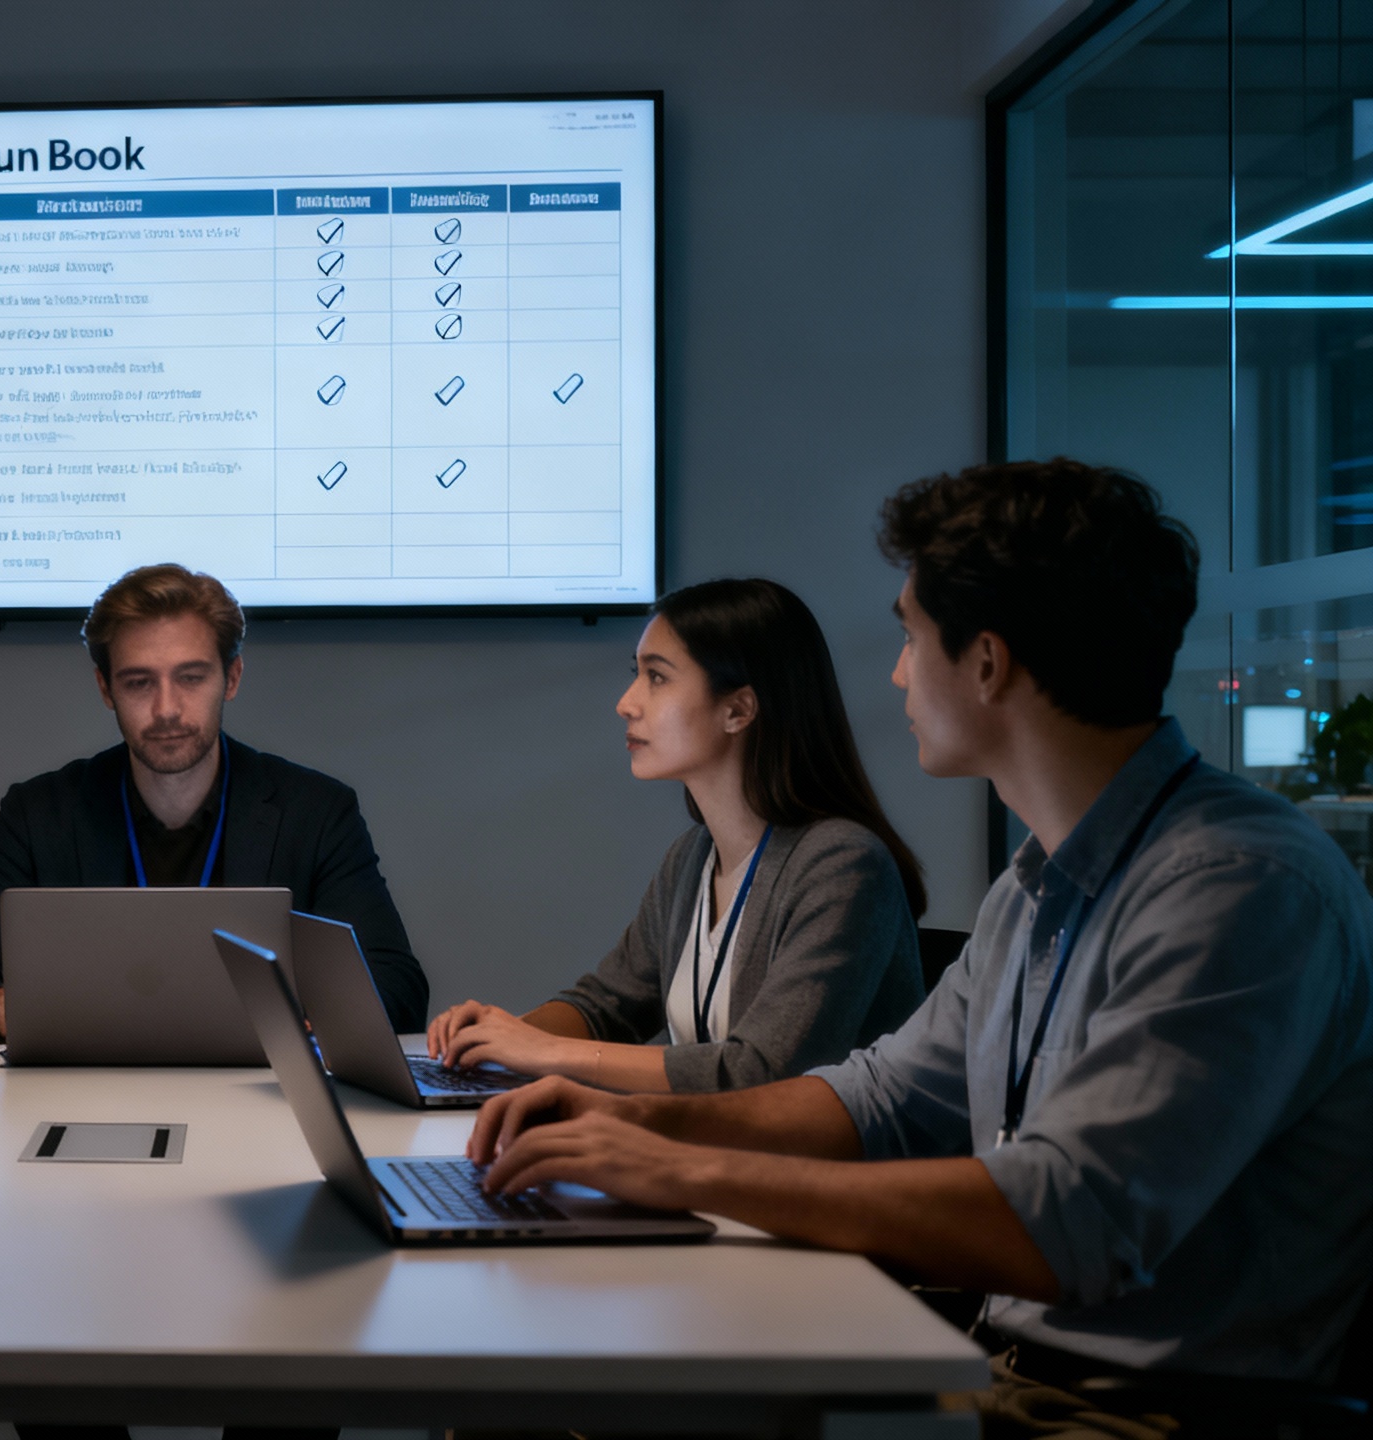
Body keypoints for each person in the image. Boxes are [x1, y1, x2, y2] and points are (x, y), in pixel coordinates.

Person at [468, 460, 1373, 1420]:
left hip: (1150, 1412)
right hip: (1010, 1373)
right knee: (527, 1398)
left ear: (985, 664)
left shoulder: (1236, 886)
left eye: (909, 637)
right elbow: (879, 1099)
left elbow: (1071, 1221)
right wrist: (630, 1124)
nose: (897, 670)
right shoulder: (1035, 887)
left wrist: (678, 1166)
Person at [425, 578, 927, 1093]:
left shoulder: (842, 865)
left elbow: (760, 1073)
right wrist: (497, 1037)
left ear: (738, 710)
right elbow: (606, 1007)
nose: (627, 702)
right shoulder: (694, 856)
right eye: (636, 676)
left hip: (816, 1171)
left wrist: (544, 1052)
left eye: (657, 678)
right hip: (717, 1158)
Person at [0, 562, 427, 1041]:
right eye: (139, 683)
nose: (166, 709)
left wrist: (304, 1013)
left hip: (261, 1096)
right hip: (84, 1086)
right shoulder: (37, 814)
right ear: (105, 688)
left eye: (191, 677)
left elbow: (396, 984)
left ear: (231, 679)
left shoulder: (317, 812)